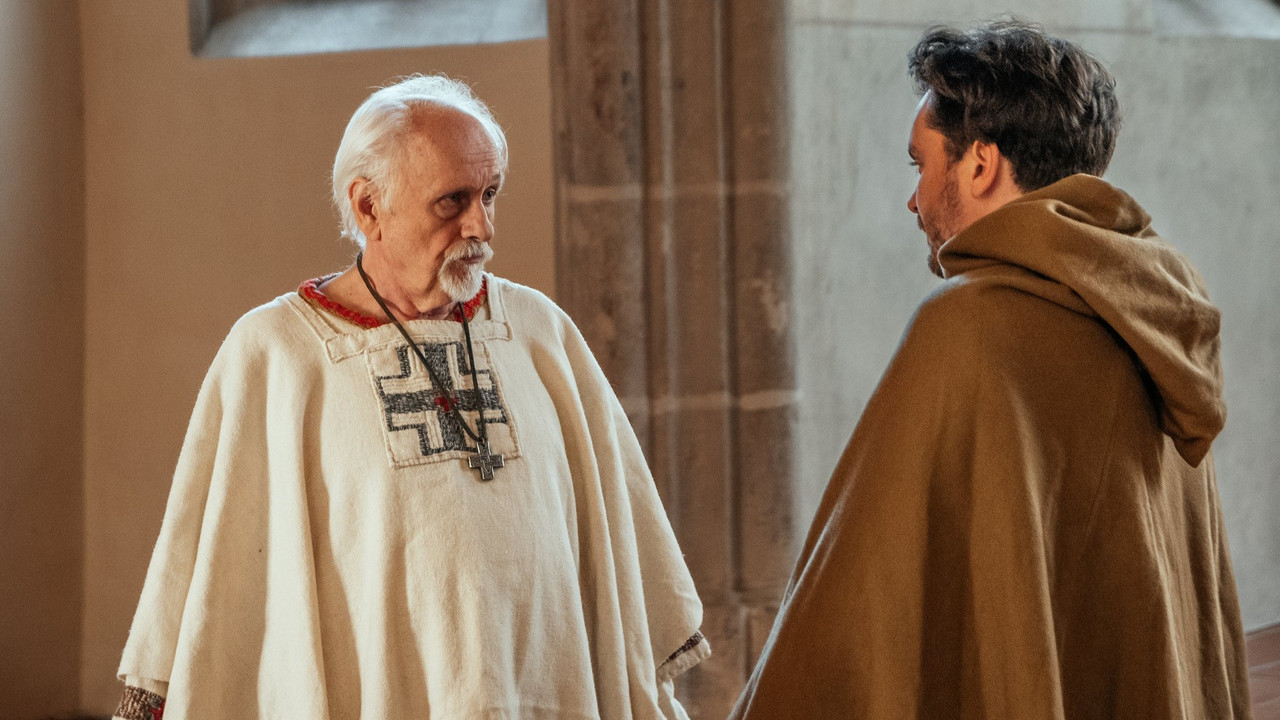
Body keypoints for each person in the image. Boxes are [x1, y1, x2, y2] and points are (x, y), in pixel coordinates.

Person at [113, 75, 708, 720]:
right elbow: (219, 575)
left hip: (542, 686)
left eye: (489, 194)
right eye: (453, 201)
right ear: (368, 206)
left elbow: (620, 533)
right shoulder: (278, 354)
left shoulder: (537, 331)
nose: (481, 225)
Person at [730, 20, 1251, 719]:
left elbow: (852, 616)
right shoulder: (1157, 312)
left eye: (920, 165)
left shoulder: (967, 327)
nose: (915, 199)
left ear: (980, 163)